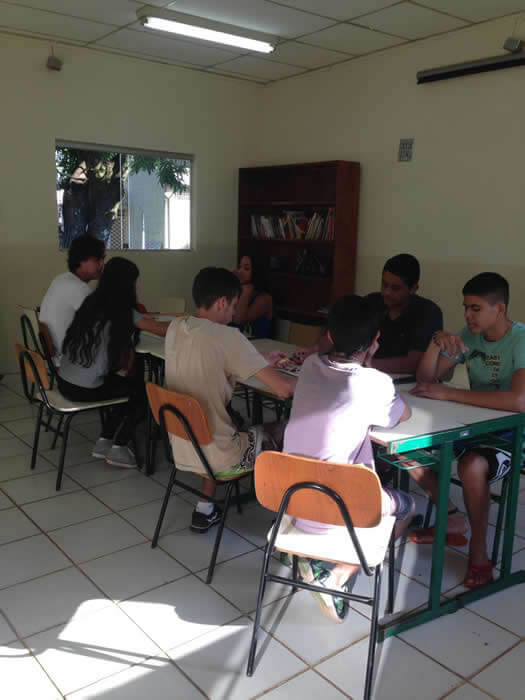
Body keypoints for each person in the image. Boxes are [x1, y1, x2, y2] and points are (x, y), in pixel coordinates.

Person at [283, 295, 415, 622]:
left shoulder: (310, 366)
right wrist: (370, 365)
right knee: (409, 506)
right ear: (375, 339)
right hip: (338, 508)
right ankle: (338, 575)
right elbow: (403, 415)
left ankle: (303, 554)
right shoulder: (375, 383)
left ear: (329, 335)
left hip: (291, 500)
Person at [408, 272, 525, 588]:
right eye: (465, 308)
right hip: (473, 427)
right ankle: (452, 519)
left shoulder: (520, 339)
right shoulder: (470, 336)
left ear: (500, 308)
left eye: (476, 308)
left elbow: (519, 401)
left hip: (513, 435)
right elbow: (426, 380)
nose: (468, 316)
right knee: (408, 450)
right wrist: (436, 343)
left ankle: (479, 550)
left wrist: (450, 394)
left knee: (472, 466)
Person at [164, 267, 295, 532]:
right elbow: (283, 390)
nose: (234, 314)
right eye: (234, 306)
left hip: (184, 445)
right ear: (222, 302)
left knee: (222, 423)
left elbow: (214, 361)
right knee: (289, 429)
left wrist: (259, 361)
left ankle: (204, 508)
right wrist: (318, 377)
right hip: (220, 458)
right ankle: (292, 518)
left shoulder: (176, 327)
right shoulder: (227, 336)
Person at [58, 257, 170, 469]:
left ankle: (104, 440)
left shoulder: (91, 303)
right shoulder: (123, 310)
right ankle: (119, 446)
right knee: (143, 394)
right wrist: (187, 324)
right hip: (84, 389)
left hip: (64, 381)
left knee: (128, 386)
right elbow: (160, 330)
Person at [294, 254, 443, 375]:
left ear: (413, 289)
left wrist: (364, 364)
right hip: (362, 373)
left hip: (406, 383)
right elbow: (339, 333)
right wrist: (314, 350)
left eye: (395, 288)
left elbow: (413, 364)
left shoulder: (428, 313)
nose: (386, 292)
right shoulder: (371, 302)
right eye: (384, 284)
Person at [40, 235, 106, 364]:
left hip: (56, 356)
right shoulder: (78, 288)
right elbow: (103, 322)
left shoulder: (61, 279)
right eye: (98, 259)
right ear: (82, 260)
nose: (102, 264)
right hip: (69, 360)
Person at [231, 254, 273, 339]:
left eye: (246, 268)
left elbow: (238, 320)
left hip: (257, 344)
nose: (240, 271)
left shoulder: (265, 298)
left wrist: (246, 290)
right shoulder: (238, 292)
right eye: (240, 267)